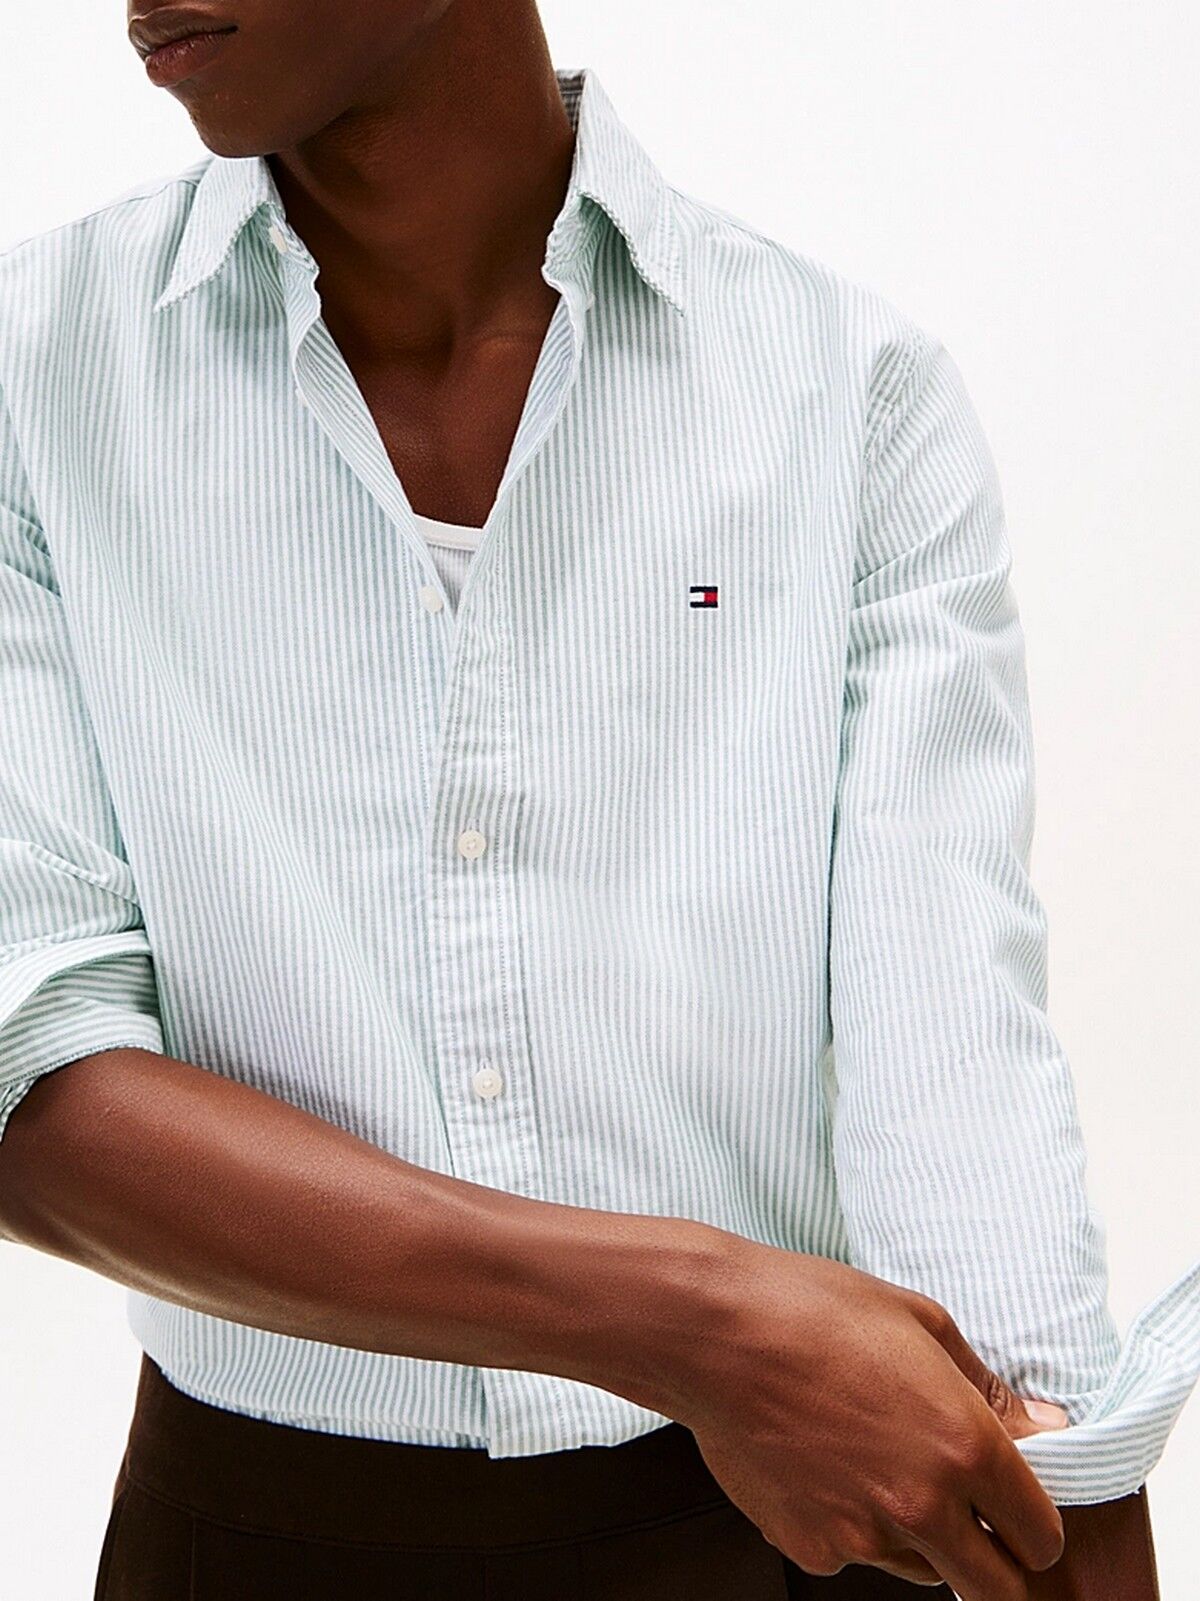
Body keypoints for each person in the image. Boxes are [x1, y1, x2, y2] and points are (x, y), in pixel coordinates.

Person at [0, 0, 1195, 1596]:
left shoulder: (848, 394)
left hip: (798, 1525)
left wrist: (1057, 1493)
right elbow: (31, 1083)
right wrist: (695, 1319)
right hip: (247, 1534)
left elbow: (951, 1050)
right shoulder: (33, 379)